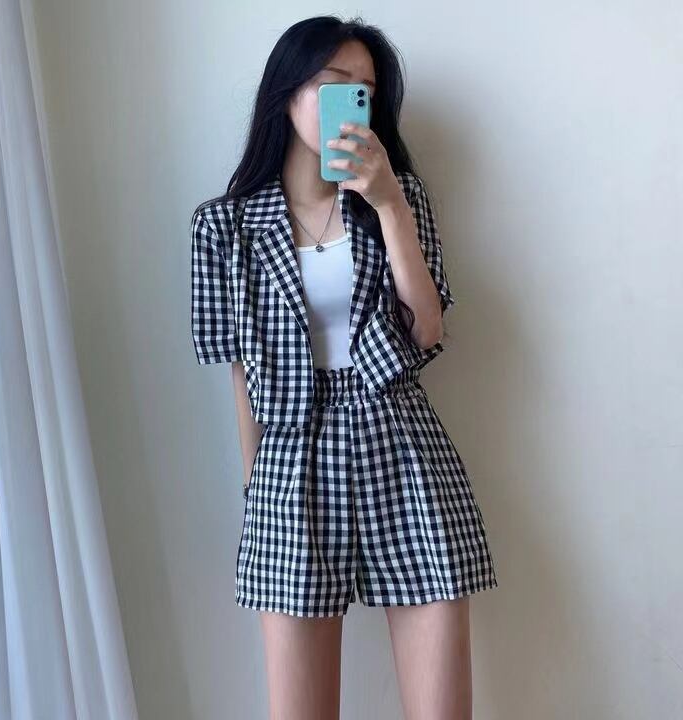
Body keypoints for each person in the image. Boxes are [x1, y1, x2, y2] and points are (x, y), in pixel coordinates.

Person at [191, 15, 498, 720]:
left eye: (366, 89)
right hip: (290, 459)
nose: (354, 103)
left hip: (400, 443)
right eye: (336, 85)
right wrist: (257, 492)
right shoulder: (224, 227)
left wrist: (387, 203)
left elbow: (427, 330)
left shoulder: (398, 199)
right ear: (287, 93)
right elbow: (238, 372)